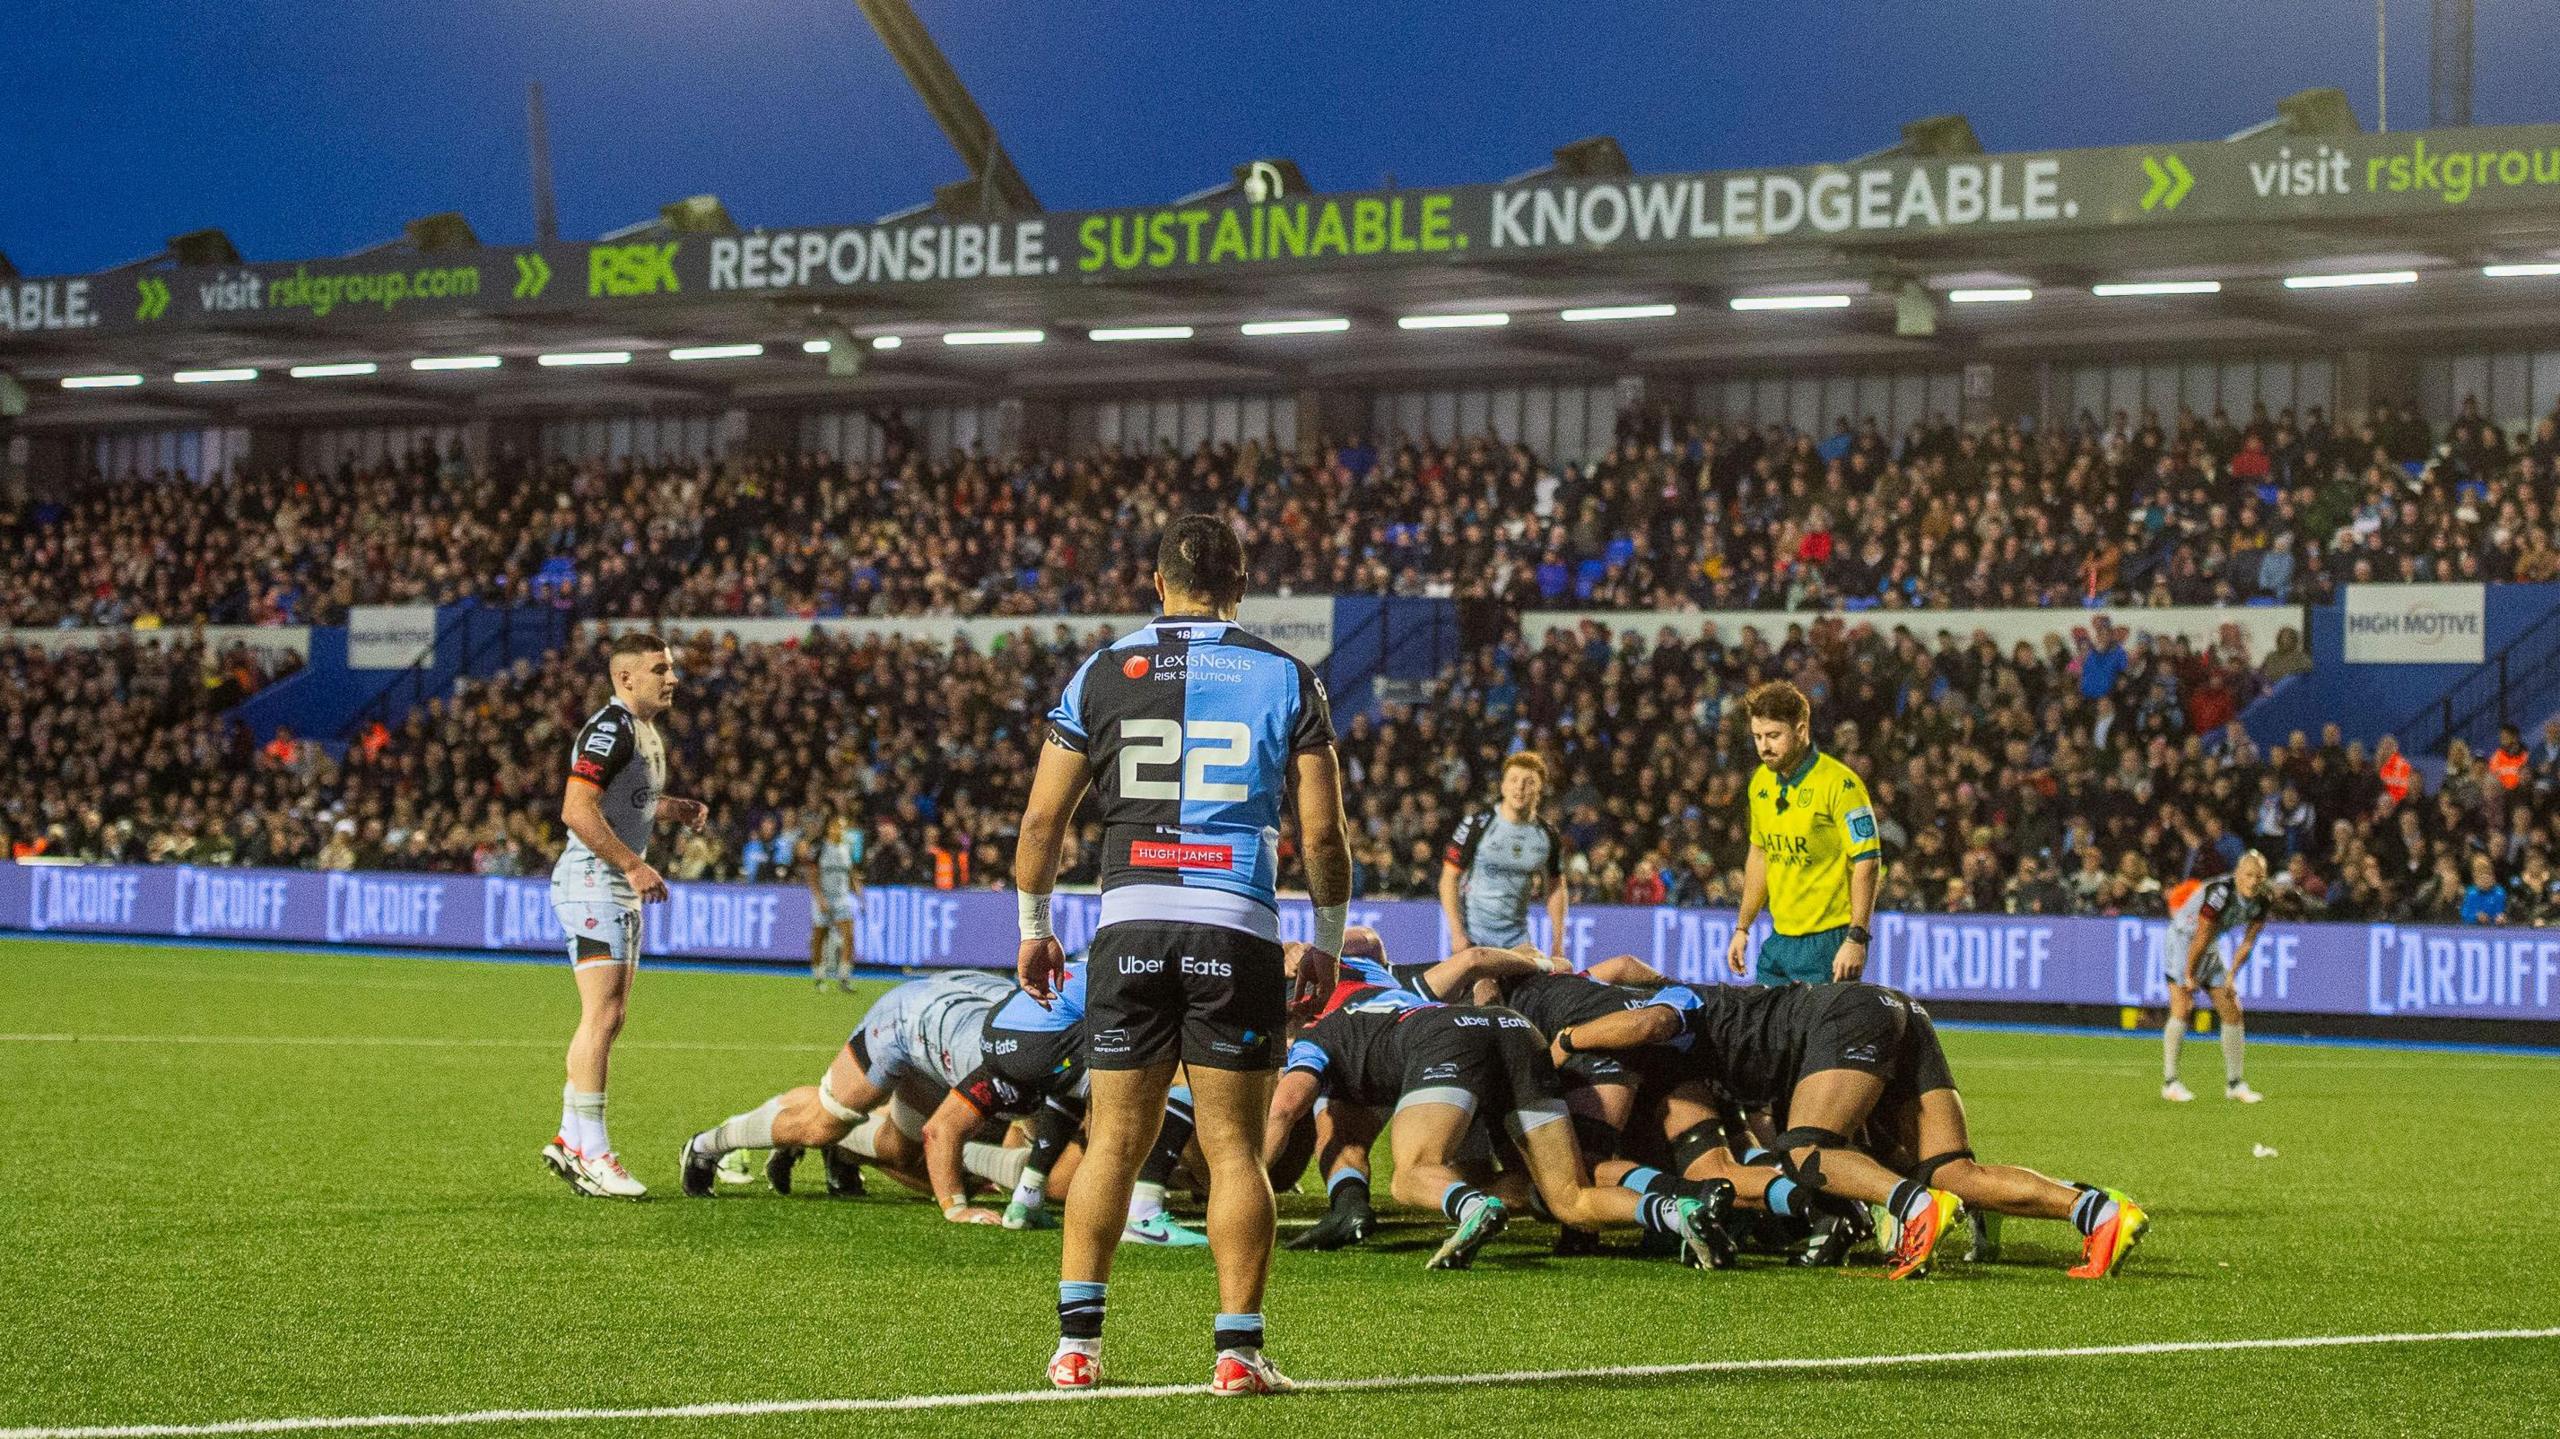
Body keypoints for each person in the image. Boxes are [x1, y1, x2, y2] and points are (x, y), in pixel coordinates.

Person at [1013, 515, 1351, 1397]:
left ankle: (1077, 1348)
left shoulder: (1102, 669)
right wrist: (1323, 942)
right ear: (1240, 585)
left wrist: (1033, 924)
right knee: (1233, 1149)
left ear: (1156, 584)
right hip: (1234, 926)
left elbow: (1043, 821)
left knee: (1111, 1142)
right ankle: (1237, 1352)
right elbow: (1323, 831)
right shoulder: (1287, 675)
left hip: (1128, 925)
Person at [1555, 980, 2152, 1281]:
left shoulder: (1678, 1002)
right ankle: (2098, 1213)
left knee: (1806, 1151)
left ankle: (1915, 1208)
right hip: (1900, 1011)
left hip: (1849, 1015)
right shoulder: (1723, 1043)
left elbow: (1654, 1020)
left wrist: (1568, 1040)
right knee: (1952, 1170)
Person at [1263, 957, 1729, 1272]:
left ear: (1294, 1015)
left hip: (1444, 1044)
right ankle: (1676, 1211)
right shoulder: (1390, 991)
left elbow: (1286, 1107)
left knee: (1410, 1176)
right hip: (1513, 1028)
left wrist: (1248, 1175)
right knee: (1571, 1197)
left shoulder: (1316, 1035)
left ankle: (1473, 1206)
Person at [542, 633, 706, 1200]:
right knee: (601, 1017)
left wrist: (670, 807)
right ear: (625, 678)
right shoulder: (610, 729)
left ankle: (570, 1140)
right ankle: (593, 1152)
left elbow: (620, 799)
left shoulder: (642, 731)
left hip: (608, 887)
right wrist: (634, 865)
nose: (672, 678)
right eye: (660, 669)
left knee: (608, 1018)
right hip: (594, 883)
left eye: (672, 668)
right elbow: (575, 807)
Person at [676, 969, 1029, 1202]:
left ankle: (843, 1147)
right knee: (820, 1124)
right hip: (906, 1021)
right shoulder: (1041, 1060)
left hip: (951, 1032)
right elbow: (1004, 1149)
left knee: (901, 1153)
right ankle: (708, 1144)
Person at [1726, 680, 1884, 987]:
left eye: (1773, 736)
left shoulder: (1840, 784)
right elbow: (1760, 854)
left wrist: (1857, 938)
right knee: (1764, 1033)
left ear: (1801, 730)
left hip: (1829, 941)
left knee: (1822, 1036)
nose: (1764, 747)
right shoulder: (1760, 782)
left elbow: (1868, 861)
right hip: (1780, 941)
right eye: (1757, 736)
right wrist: (1742, 928)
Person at [2160, 851, 2273, 1104]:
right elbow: (2200, 933)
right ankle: (2170, 1083)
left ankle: (2235, 1084)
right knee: (2183, 1007)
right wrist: (2189, 974)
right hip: (2183, 940)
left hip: (2208, 944)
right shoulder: (2220, 893)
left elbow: (2248, 942)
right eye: (2248, 875)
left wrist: (2232, 975)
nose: (2253, 881)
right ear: (2237, 874)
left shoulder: (2264, 899)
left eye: (2259, 876)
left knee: (2232, 1011)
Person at [1439, 752, 1568, 951]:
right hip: (1475, 940)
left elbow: (1556, 886)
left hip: (1517, 942)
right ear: (1503, 786)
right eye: (1514, 780)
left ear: (1540, 789)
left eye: (1529, 782)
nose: (1520, 787)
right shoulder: (1477, 824)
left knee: (1546, 976)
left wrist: (1558, 945)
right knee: (1486, 983)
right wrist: (1457, 934)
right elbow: (1449, 878)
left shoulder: (1547, 835)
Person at [809, 814, 863, 993]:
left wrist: (860, 895)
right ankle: (818, 977)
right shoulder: (820, 847)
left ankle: (844, 977)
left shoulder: (847, 849)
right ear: (829, 828)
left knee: (849, 936)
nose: (840, 830)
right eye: (837, 826)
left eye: (843, 827)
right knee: (819, 937)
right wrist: (819, 898)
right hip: (824, 897)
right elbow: (812, 876)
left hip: (842, 898)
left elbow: (852, 874)